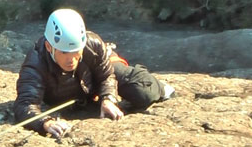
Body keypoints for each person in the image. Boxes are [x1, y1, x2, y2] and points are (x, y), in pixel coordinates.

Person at [13, 8, 175, 138]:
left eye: (76, 51)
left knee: (142, 91)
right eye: (64, 52)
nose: (71, 59)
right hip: (78, 89)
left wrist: (108, 98)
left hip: (94, 75)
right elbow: (25, 104)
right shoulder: (35, 63)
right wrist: (45, 123)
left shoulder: (93, 45)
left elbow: (106, 76)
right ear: (49, 47)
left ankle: (160, 87)